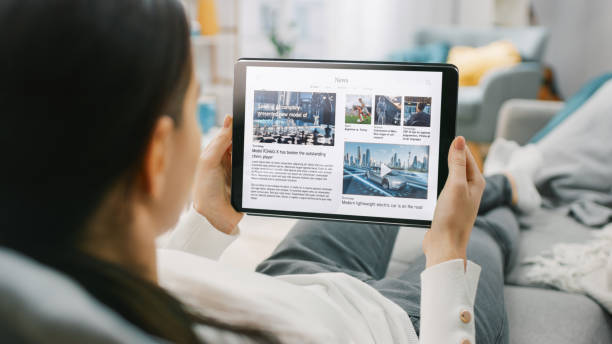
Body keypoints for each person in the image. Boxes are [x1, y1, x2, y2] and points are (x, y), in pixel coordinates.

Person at [0, 1, 542, 343]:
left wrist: (208, 220)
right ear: (156, 155)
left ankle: (497, 182)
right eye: (195, 107)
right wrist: (447, 249)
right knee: (484, 234)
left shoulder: (60, 266)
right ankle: (514, 188)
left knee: (377, 194)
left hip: (288, 280)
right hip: (405, 325)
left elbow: (156, 292)